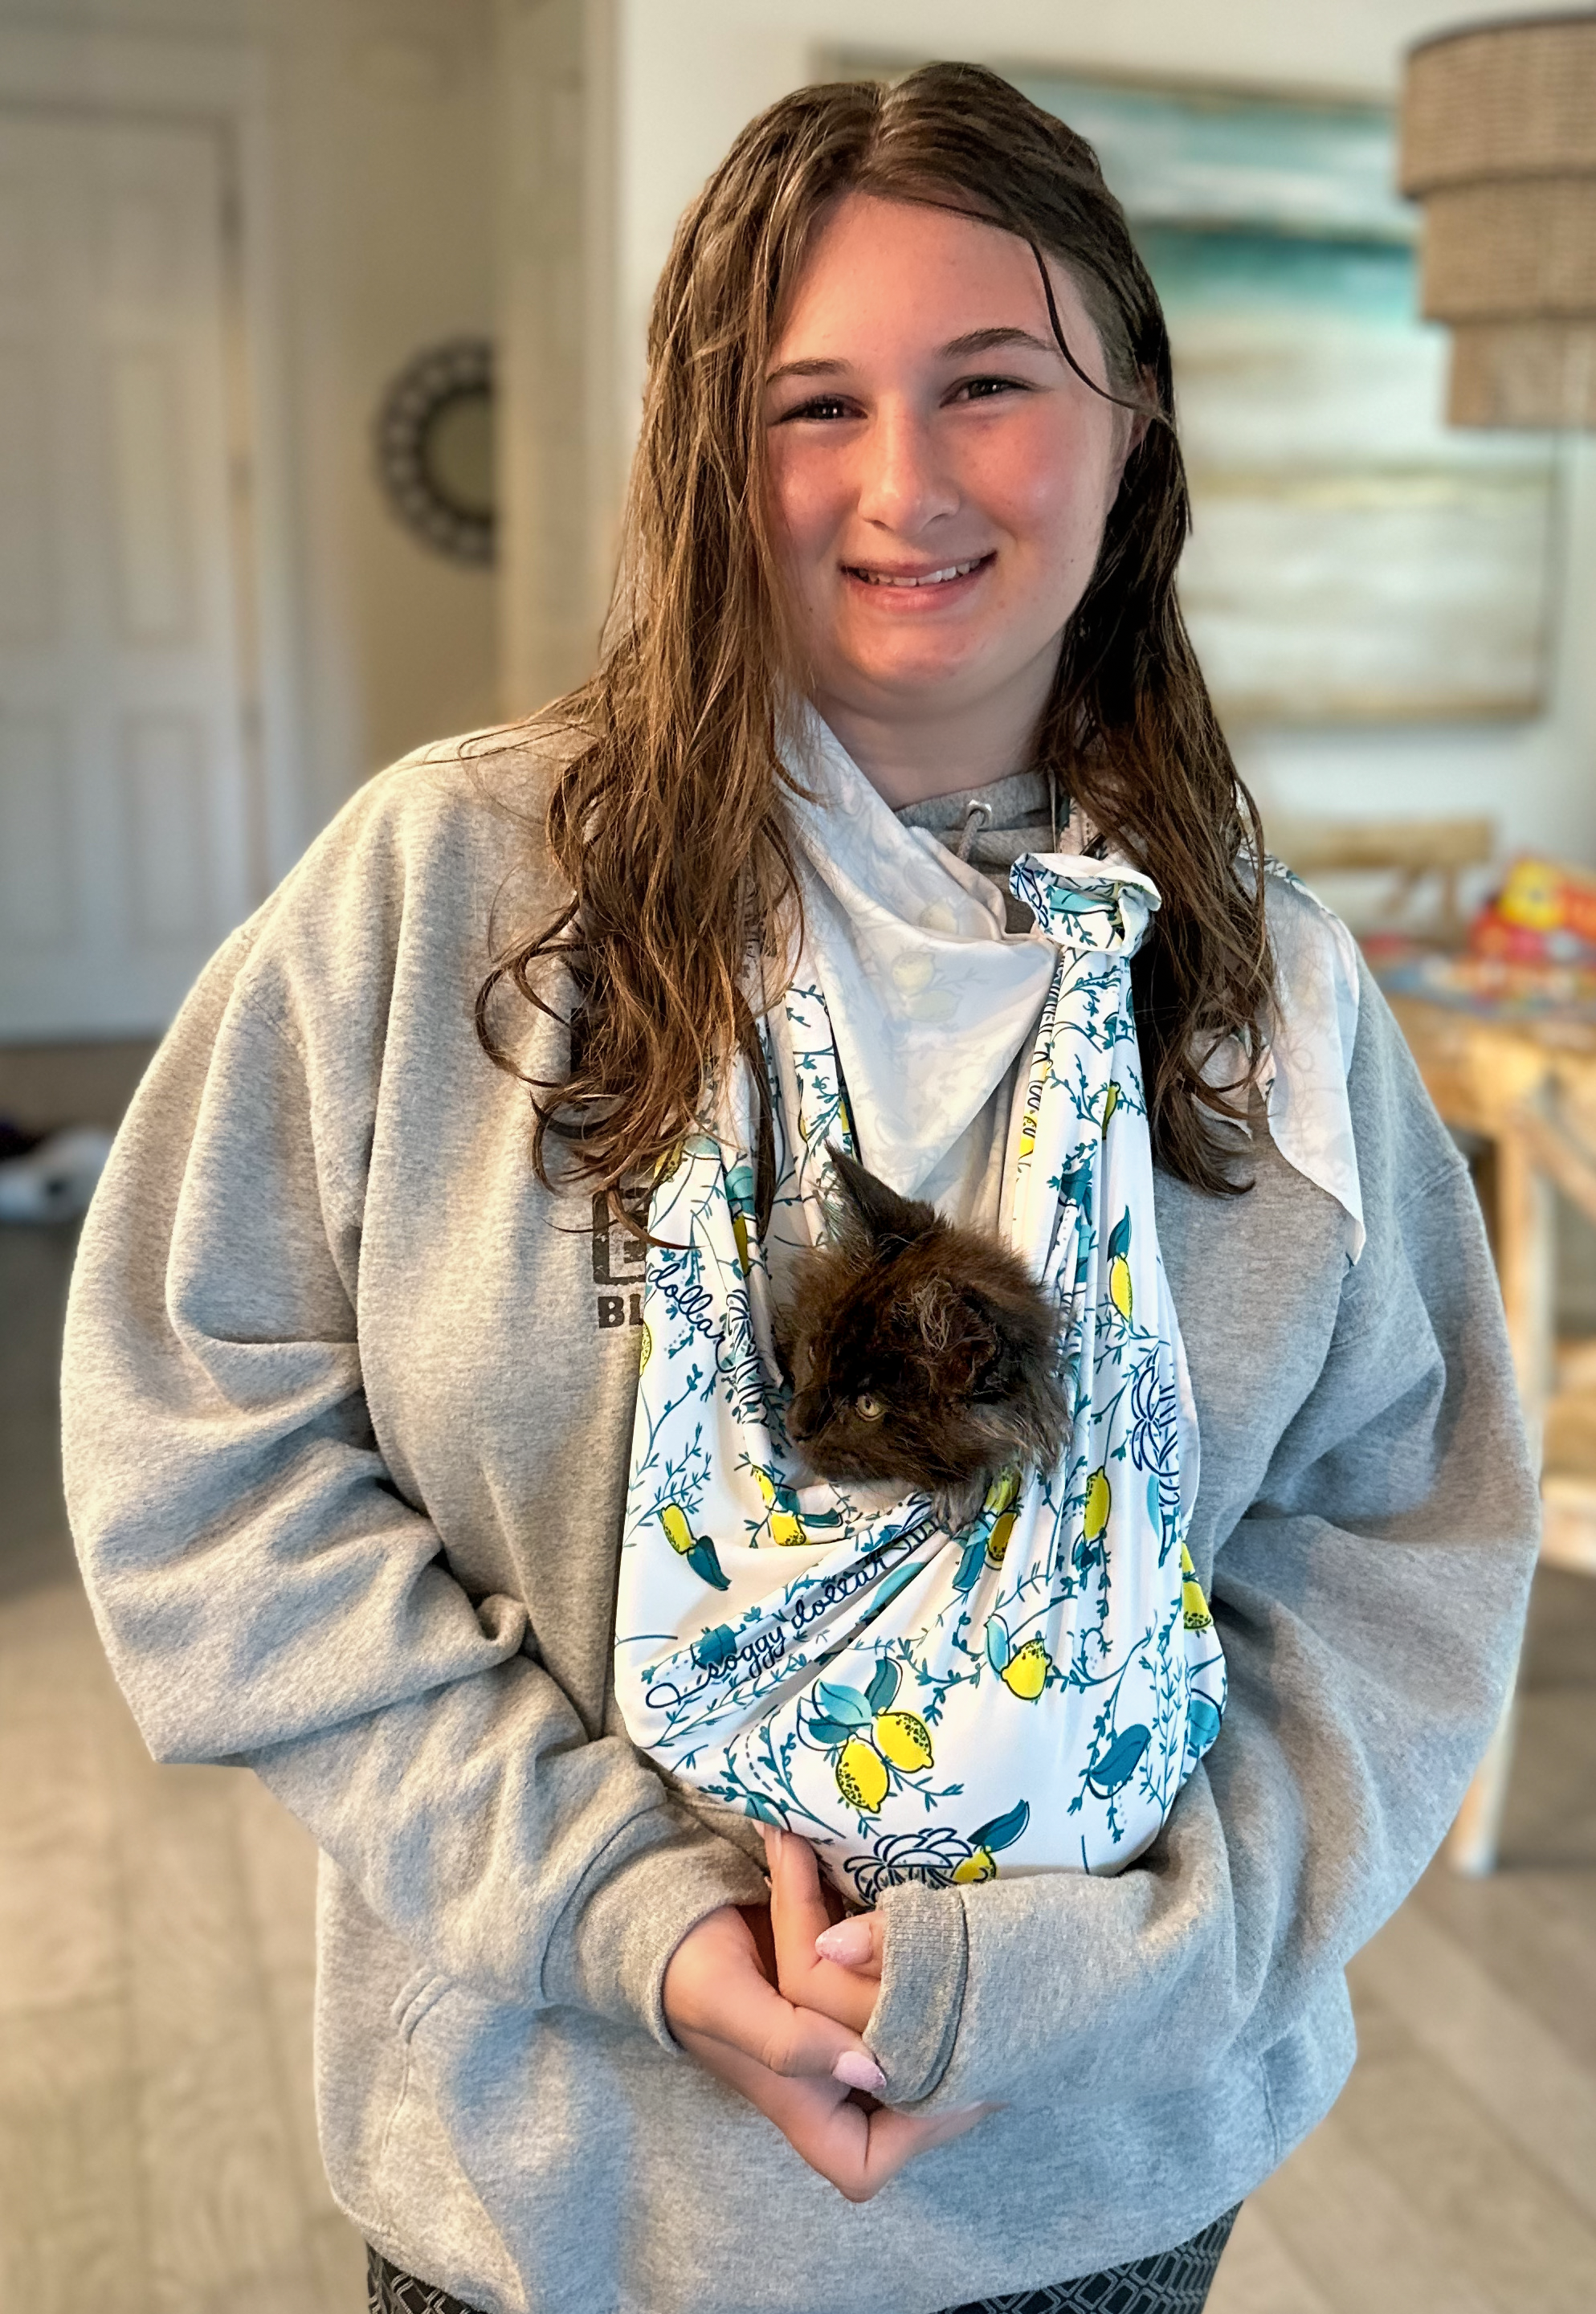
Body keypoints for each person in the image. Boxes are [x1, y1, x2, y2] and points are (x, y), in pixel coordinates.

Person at [63, 61, 1537, 2314]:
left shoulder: (1272, 1006)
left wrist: (1106, 1973)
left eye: (989, 384)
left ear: (1132, 425)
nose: (902, 484)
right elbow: (202, 1453)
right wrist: (627, 1917)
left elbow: (1397, 1557)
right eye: (810, 407)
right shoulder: (453, 900)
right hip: (560, 2205)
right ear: (701, 454)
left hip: (1097, 2190)